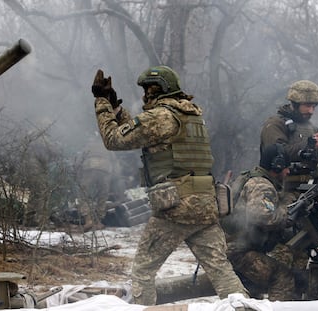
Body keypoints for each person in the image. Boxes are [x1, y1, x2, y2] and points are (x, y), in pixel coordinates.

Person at [91, 65, 249, 305]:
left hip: (176, 207)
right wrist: (117, 109)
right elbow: (142, 132)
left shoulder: (161, 116)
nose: (145, 96)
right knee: (221, 270)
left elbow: (114, 139)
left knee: (143, 272)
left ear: (158, 90)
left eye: (147, 90)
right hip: (206, 205)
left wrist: (102, 103)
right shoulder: (191, 115)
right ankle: (244, 307)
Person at [222, 143, 296, 301]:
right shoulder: (262, 186)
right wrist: (288, 213)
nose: (288, 171)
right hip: (239, 253)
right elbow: (262, 217)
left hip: (233, 248)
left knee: (253, 288)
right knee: (283, 277)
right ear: (277, 165)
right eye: (286, 167)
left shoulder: (250, 177)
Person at [260, 80, 318, 191]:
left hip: (311, 188)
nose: (311, 111)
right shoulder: (275, 124)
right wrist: (309, 146)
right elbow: (275, 154)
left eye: (314, 107)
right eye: (307, 105)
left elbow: (317, 160)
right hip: (282, 190)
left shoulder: (311, 127)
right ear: (294, 103)